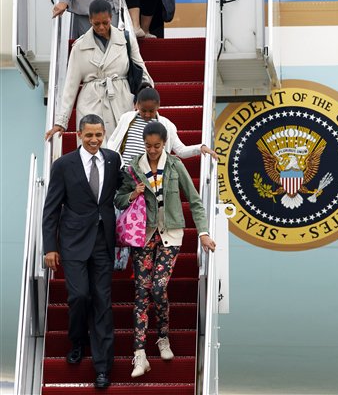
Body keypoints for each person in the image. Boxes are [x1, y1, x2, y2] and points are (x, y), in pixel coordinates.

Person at [114, 121, 216, 377]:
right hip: (144, 236)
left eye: (157, 146)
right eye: (148, 146)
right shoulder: (133, 168)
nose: (152, 151)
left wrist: (203, 232)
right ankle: (139, 355)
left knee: (158, 288)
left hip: (170, 234)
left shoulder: (175, 165)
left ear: (165, 143)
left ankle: (163, 337)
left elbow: (195, 201)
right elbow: (118, 199)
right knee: (141, 293)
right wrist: (133, 194)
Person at [42, 114, 123, 389]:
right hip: (73, 241)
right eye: (88, 135)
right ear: (78, 135)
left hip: (103, 241)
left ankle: (102, 368)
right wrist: (50, 247)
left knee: (102, 301)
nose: (94, 140)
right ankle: (78, 339)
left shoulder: (113, 160)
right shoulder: (63, 165)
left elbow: (119, 194)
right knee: (79, 296)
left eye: (98, 135)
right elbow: (51, 209)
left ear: (104, 134)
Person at [45, 0, 153, 142]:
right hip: (91, 103)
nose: (101, 27)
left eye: (105, 23)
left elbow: (142, 71)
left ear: (111, 18)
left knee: (123, 150)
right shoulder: (79, 47)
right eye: (96, 23)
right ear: (90, 20)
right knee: (93, 151)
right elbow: (70, 85)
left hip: (121, 99)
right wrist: (61, 121)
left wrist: (146, 98)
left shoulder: (126, 39)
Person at [107, 87, 218, 167]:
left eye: (151, 111)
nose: (147, 114)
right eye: (143, 110)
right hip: (124, 173)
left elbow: (181, 150)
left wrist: (200, 148)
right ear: (137, 105)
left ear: (158, 106)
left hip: (150, 176)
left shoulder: (167, 125)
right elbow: (113, 142)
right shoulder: (126, 118)